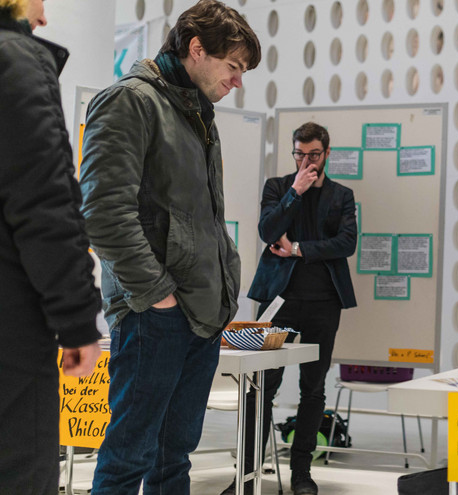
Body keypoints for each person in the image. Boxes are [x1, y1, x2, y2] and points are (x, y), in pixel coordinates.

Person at [78, 1, 260, 492]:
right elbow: (102, 212)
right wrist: (156, 296)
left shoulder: (196, 112)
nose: (238, 81)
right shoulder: (128, 102)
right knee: (128, 459)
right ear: (197, 49)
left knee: (172, 457)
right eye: (234, 66)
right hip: (154, 313)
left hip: (198, 313)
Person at [0, 1, 103, 492]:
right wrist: (77, 320)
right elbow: (45, 203)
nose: (43, 18)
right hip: (12, 329)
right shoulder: (15, 61)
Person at [236, 122, 357, 495]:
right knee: (260, 386)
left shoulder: (342, 195)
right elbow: (267, 229)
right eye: (300, 154)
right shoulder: (278, 187)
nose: (307, 161)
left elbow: (347, 243)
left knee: (313, 388)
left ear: (327, 153)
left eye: (314, 155)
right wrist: (295, 192)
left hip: (323, 303)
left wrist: (299, 249)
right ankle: (248, 473)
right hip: (278, 300)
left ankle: (301, 472)